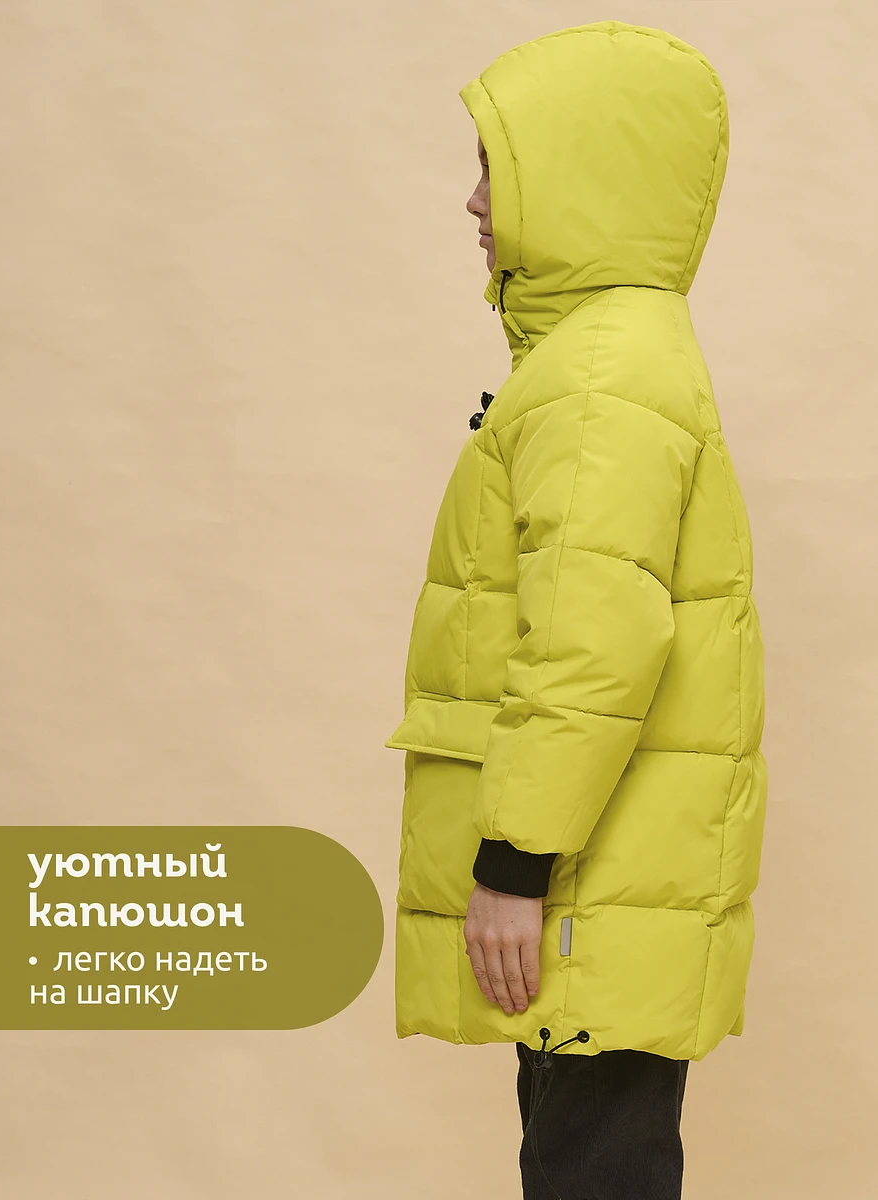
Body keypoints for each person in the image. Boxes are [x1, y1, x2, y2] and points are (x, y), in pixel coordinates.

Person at [384, 19, 767, 1200]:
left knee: (593, 1173)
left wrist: (514, 864)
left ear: (583, 173)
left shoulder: (600, 379)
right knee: (585, 1166)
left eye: (497, 167)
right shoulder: (612, 357)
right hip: (620, 874)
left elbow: (593, 643)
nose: (472, 202)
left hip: (595, 876)